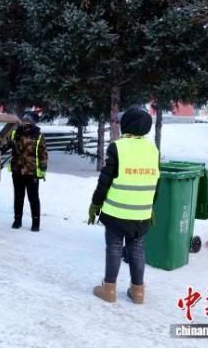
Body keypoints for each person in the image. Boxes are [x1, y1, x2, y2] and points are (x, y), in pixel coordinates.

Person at [87, 107, 159, 304]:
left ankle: (109, 290)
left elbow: (105, 181)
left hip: (116, 212)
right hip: (141, 214)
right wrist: (150, 206)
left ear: (127, 125)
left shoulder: (117, 147)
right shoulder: (153, 149)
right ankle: (138, 292)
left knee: (114, 247)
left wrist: (95, 204)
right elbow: (156, 181)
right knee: (137, 250)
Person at [8, 111, 48, 232]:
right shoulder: (16, 132)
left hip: (32, 172)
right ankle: (17, 220)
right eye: (25, 119)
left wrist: (42, 169)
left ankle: (36, 223)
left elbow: (43, 154)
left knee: (33, 198)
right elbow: (6, 144)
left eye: (29, 120)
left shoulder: (38, 135)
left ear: (34, 122)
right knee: (18, 197)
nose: (26, 122)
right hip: (17, 170)